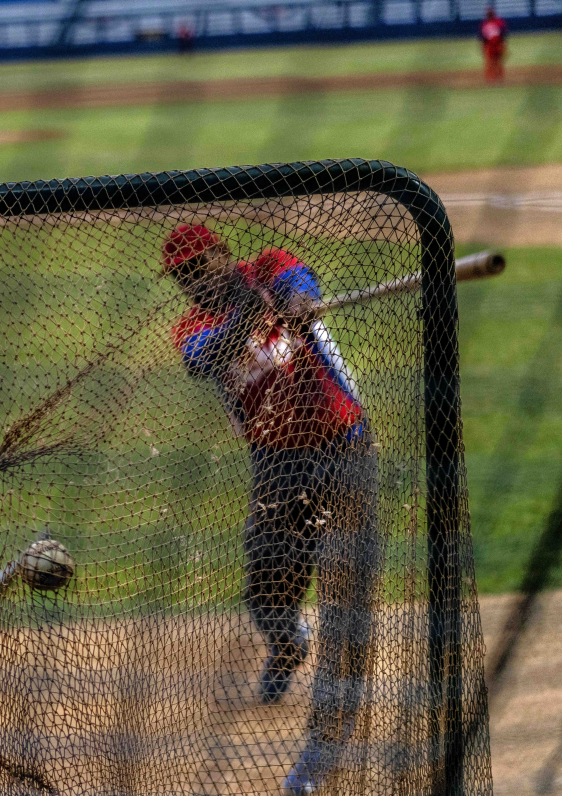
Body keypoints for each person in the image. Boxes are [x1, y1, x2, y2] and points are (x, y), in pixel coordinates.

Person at [162, 223, 380, 795]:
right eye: (182, 275)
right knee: (264, 590)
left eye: (199, 265)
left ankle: (324, 750)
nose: (192, 280)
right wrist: (252, 312)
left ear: (222, 254)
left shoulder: (268, 267)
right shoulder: (191, 328)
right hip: (277, 464)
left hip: (343, 445)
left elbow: (297, 279)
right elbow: (207, 357)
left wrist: (296, 301)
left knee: (345, 599)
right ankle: (287, 643)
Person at [479, 7, 508, 83]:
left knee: (496, 61)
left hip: (497, 44)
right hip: (491, 45)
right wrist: (483, 47)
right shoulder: (485, 24)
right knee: (491, 62)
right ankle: (491, 77)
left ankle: (498, 77)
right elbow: (483, 38)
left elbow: (503, 35)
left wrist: (503, 45)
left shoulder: (498, 22)